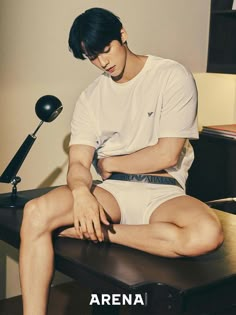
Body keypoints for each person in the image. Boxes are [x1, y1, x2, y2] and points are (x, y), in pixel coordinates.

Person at [19, 7, 224, 315]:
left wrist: (112, 162)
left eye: (105, 50)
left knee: (207, 234)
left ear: (123, 35)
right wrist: (80, 194)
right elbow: (78, 162)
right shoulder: (90, 98)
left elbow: (166, 154)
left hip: (164, 191)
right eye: (92, 58)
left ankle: (97, 231)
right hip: (114, 192)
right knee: (35, 212)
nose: (103, 63)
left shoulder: (171, 75)